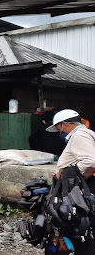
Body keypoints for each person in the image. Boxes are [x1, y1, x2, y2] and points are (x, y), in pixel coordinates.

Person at [46, 109, 95, 254]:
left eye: (58, 128)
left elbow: (90, 161)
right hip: (85, 188)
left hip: (81, 189)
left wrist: (73, 175)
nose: (59, 132)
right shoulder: (88, 134)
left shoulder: (79, 136)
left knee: (76, 225)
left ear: (64, 124)